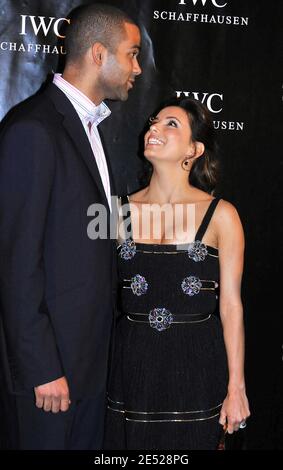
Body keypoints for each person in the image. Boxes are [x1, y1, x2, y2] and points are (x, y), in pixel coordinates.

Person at [0, 3, 141, 450]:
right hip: (49, 379)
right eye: (132, 54)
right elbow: (15, 263)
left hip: (87, 370)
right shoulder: (34, 131)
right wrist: (42, 367)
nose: (138, 67)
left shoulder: (89, 128)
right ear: (99, 54)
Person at [104, 97, 250, 450]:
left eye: (171, 124)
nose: (154, 127)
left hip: (198, 368)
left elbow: (231, 307)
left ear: (194, 149)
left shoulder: (222, 215)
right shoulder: (112, 212)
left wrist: (236, 388)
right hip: (132, 369)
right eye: (154, 121)